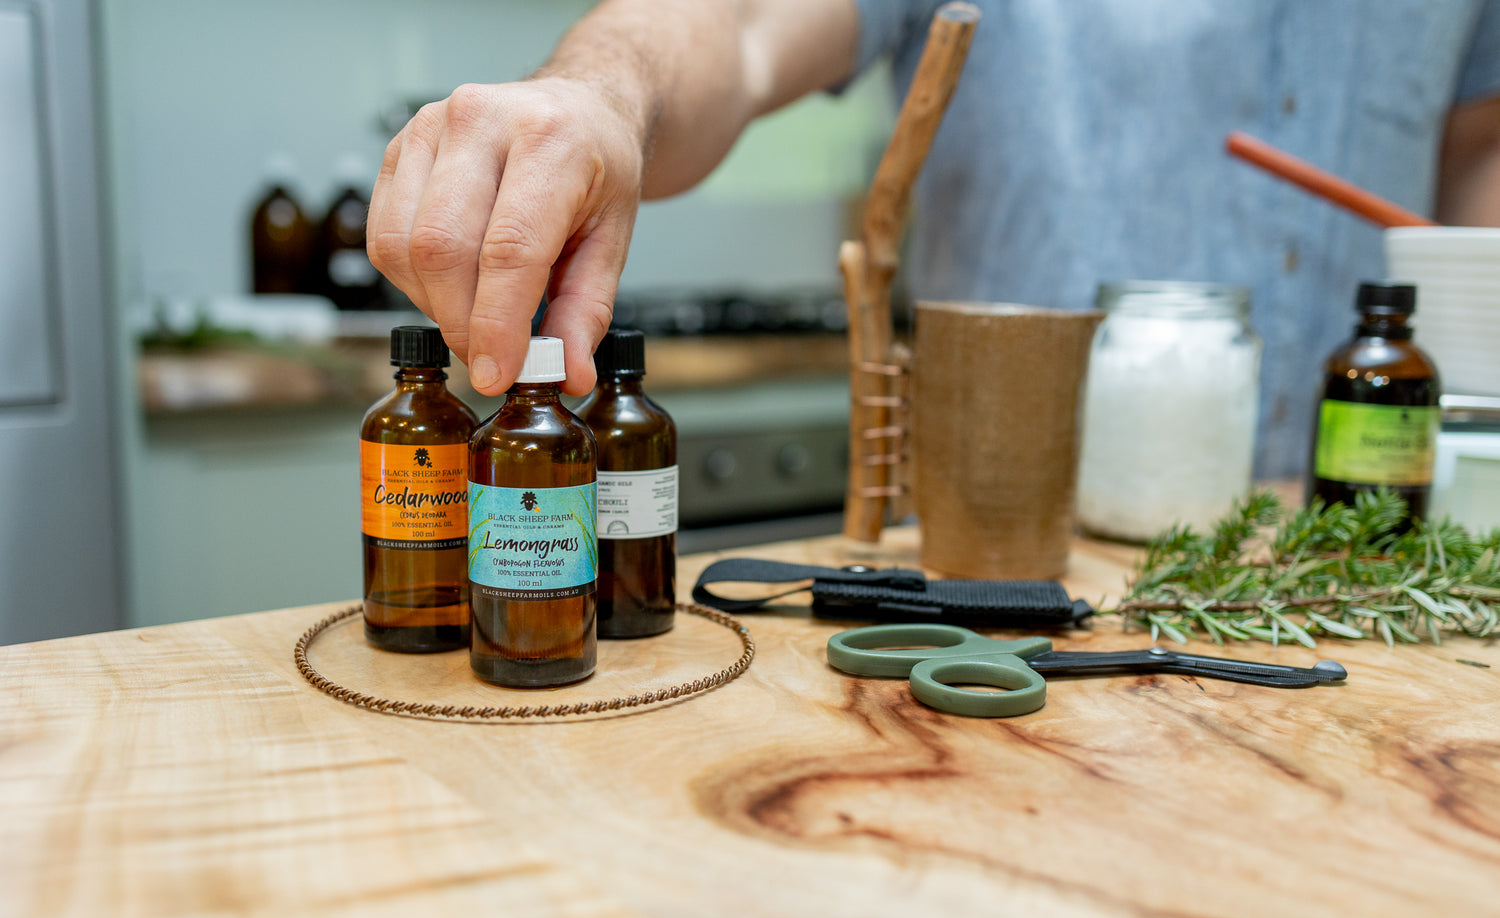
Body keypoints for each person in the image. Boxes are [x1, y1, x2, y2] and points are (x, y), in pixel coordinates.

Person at [366, 0, 1500, 477]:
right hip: (1007, 563)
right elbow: (737, 27)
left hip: (1369, 546)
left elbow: (1473, 151)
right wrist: (605, 91)